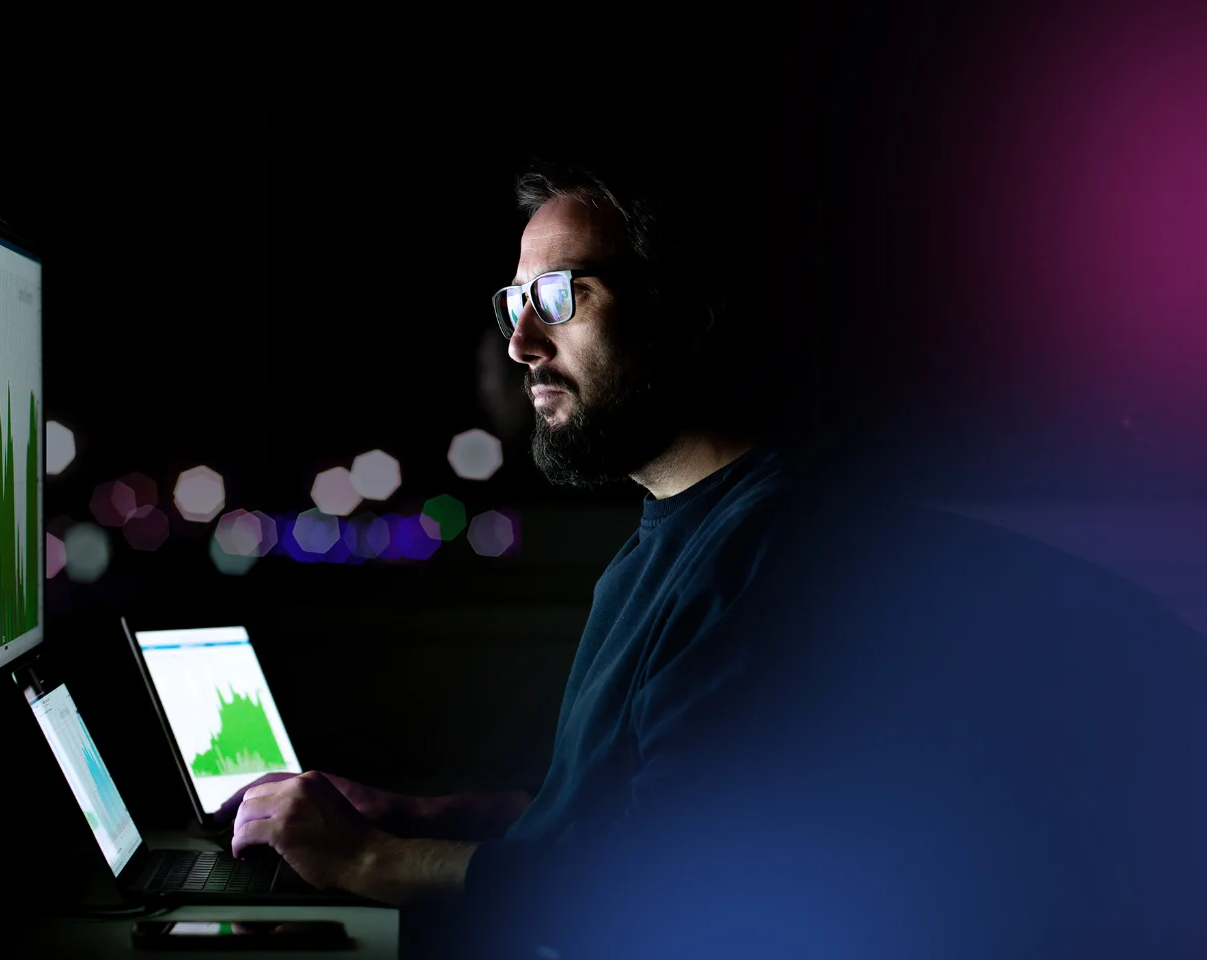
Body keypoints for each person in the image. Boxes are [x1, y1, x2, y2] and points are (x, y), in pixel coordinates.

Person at [219, 145, 1207, 958]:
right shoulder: (662, 543)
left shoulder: (780, 563)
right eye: (512, 301)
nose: (520, 342)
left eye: (560, 297)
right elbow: (633, 803)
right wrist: (429, 814)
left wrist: (371, 863)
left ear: (692, 319)